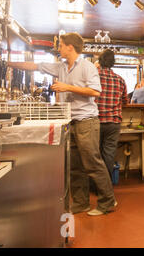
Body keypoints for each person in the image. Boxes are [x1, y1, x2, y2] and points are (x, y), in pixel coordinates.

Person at [8, 32, 116, 216]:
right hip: (70, 121)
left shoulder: (87, 67)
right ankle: (81, 203)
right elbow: (34, 65)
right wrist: (8, 63)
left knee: (92, 163)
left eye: (61, 45)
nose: (58, 49)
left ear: (70, 47)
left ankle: (107, 202)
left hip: (87, 121)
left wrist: (67, 87)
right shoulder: (61, 67)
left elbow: (95, 92)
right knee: (75, 166)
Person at [95, 49, 128, 179]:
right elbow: (125, 101)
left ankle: (95, 184)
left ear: (100, 61)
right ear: (113, 63)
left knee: (95, 154)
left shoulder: (93, 77)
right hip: (113, 122)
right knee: (109, 154)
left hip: (96, 121)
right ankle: (106, 184)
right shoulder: (120, 80)